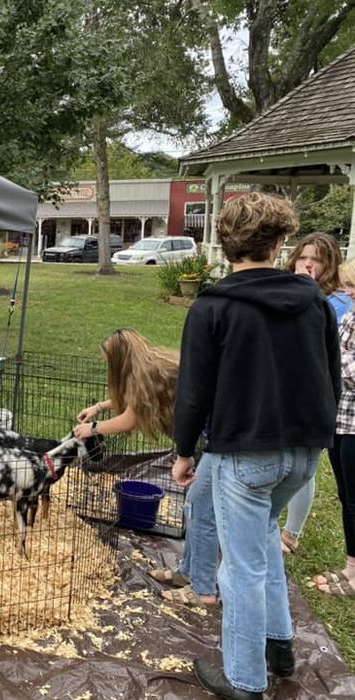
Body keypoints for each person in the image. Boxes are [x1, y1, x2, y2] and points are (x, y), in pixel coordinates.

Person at [173, 192, 339, 699]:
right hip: (304, 452)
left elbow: (194, 391)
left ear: (225, 244)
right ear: (280, 241)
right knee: (265, 539)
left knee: (240, 565)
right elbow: (331, 375)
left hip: (244, 455)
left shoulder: (213, 306)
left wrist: (184, 453)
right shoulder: (314, 300)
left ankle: (244, 680)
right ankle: (280, 645)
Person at [73, 329, 217, 607]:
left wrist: (91, 428)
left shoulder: (146, 374)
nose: (106, 364)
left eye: (107, 360)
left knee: (202, 511)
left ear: (119, 359)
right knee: (194, 507)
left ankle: (203, 589)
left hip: (217, 437)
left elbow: (128, 420)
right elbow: (133, 404)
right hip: (208, 436)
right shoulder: (150, 364)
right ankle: (187, 572)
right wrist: (100, 407)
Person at [280, 232, 351, 554]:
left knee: (303, 467)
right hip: (282, 390)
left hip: (315, 397)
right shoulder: (281, 290)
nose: (308, 264)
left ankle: (291, 533)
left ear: (330, 265)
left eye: (317, 259)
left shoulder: (337, 305)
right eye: (303, 257)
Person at [312, 290, 355, 597]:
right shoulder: (350, 318)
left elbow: (336, 363)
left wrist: (334, 362)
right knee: (345, 496)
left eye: (352, 288)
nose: (347, 294)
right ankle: (351, 567)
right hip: (340, 419)